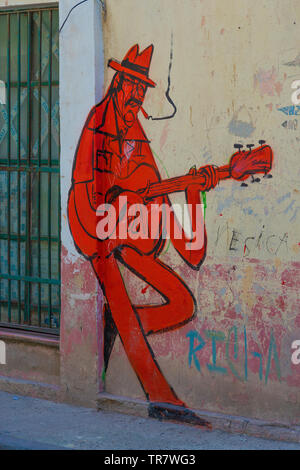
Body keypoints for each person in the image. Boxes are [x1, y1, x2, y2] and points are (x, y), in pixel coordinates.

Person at [68, 44, 219, 426]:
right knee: (114, 282)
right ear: (118, 82)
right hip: (92, 226)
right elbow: (84, 190)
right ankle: (161, 397)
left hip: (125, 226)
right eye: (132, 85)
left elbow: (191, 250)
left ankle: (118, 322)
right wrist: (110, 225)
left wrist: (191, 192)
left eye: (142, 89)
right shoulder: (96, 122)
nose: (137, 95)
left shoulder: (135, 129)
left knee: (183, 303)